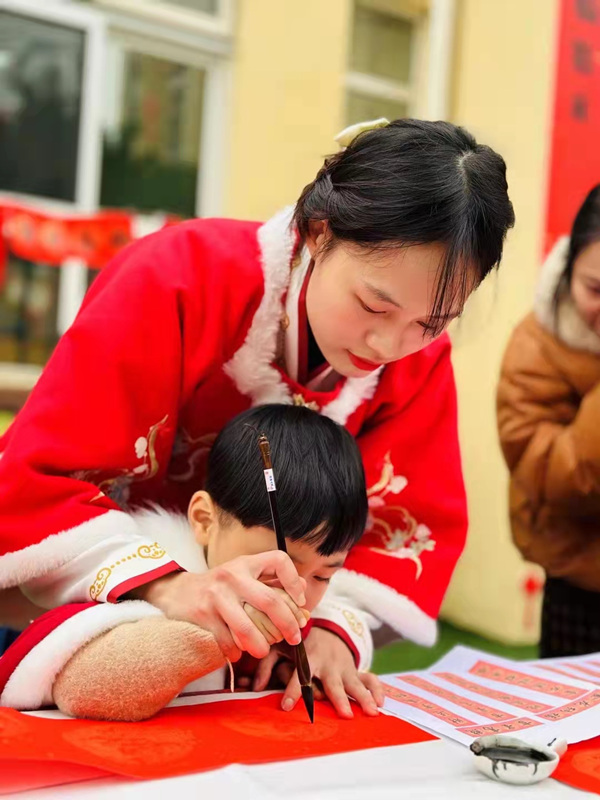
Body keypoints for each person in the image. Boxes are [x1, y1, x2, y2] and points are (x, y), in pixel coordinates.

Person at [0, 117, 515, 713]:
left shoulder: (418, 364)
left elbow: (403, 534)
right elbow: (42, 480)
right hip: (93, 614)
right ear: (318, 232)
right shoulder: (177, 276)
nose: (388, 346)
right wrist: (169, 584)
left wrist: (333, 629)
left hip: (263, 664)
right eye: (374, 305)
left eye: (430, 323)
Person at [0, 404, 385, 721]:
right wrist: (209, 640)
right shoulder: (142, 581)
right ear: (204, 520)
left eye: (323, 576)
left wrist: (332, 644)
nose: (298, 593)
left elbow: (336, 621)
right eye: (276, 564)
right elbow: (83, 686)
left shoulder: (309, 610)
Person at [498, 184, 600, 658]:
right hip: (581, 585)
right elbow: (553, 477)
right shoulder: (539, 342)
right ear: (568, 268)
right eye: (595, 289)